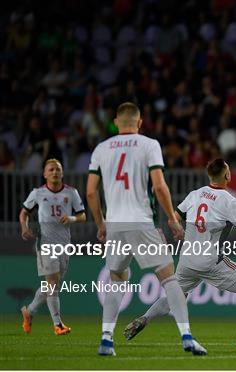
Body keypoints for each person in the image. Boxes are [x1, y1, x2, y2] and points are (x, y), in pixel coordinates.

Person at [86, 102, 206, 356]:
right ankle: (186, 336)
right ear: (139, 123)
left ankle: (106, 339)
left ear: (116, 122)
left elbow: (90, 191)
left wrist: (100, 224)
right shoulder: (149, 145)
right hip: (141, 221)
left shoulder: (101, 149)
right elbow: (160, 187)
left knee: (117, 279)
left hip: (115, 224)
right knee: (169, 277)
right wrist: (173, 218)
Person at [123, 158, 236, 347]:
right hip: (211, 261)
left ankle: (145, 318)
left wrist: (178, 230)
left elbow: (174, 218)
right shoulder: (230, 201)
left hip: (187, 259)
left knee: (175, 297)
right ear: (227, 175)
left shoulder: (195, 194)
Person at [19, 159, 86, 335]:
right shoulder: (38, 193)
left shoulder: (71, 193)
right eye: (51, 169)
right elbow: (24, 212)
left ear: (62, 173)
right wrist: (24, 227)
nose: (55, 172)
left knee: (52, 285)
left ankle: (29, 311)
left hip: (64, 243)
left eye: (58, 169)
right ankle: (58, 324)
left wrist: (71, 218)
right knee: (53, 282)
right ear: (45, 174)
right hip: (45, 242)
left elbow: (82, 216)